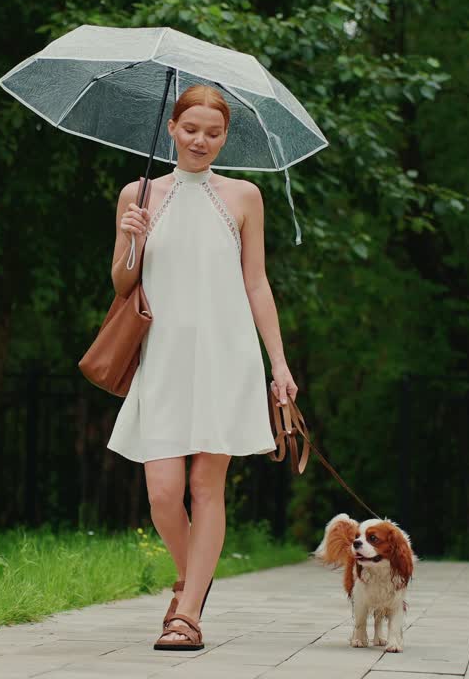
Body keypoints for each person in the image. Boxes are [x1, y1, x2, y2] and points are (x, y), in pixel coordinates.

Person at [105, 84, 299, 651]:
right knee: (163, 493)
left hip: (225, 354)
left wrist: (278, 363)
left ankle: (186, 616)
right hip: (162, 356)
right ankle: (193, 579)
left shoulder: (243, 197)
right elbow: (122, 284)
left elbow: (256, 282)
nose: (201, 141)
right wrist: (130, 239)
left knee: (204, 484)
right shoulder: (137, 194)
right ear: (171, 128)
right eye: (191, 129)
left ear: (224, 137)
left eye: (214, 133)